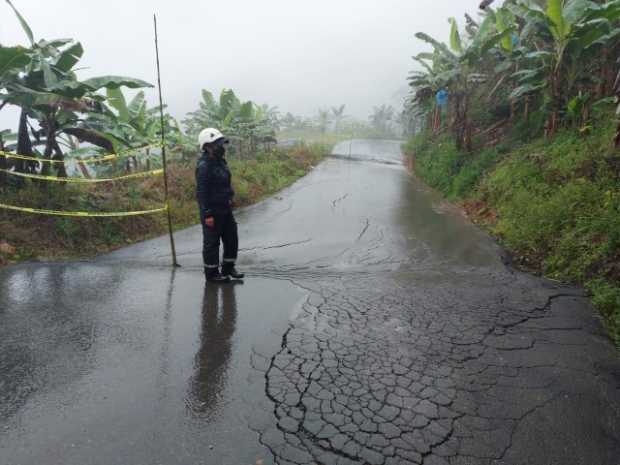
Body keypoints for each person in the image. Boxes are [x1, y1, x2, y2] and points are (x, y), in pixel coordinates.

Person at [196, 128, 245, 283]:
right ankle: (212, 274)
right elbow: (202, 192)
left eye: (221, 144)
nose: (221, 147)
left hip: (225, 208)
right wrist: (207, 214)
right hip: (212, 211)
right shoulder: (204, 166)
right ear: (207, 146)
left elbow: (225, 183)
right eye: (218, 144)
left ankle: (228, 268)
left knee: (231, 238)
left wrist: (230, 196)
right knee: (212, 243)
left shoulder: (220, 162)